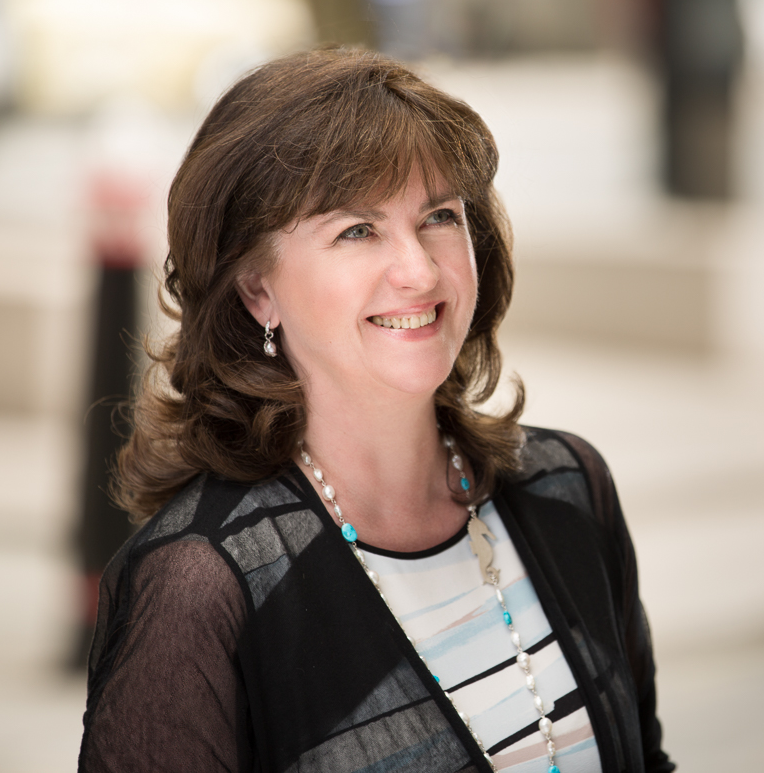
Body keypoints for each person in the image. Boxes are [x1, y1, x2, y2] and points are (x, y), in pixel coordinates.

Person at [78, 47, 674, 773]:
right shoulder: (202, 588)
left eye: (439, 217)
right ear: (256, 290)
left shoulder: (566, 487)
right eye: (356, 231)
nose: (419, 270)